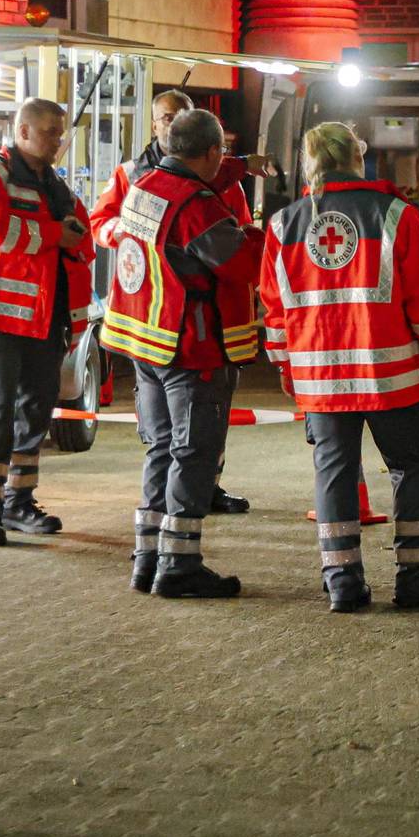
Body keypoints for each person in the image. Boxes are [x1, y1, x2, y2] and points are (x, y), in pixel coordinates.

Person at [259, 122, 419, 613]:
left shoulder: (284, 223)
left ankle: (342, 581)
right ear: (357, 159)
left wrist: (284, 364)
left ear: (310, 164)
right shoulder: (395, 215)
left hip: (320, 378)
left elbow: (274, 307)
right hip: (389, 376)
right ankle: (416, 575)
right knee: (413, 464)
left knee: (334, 473)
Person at [101, 108, 260, 598]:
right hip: (191, 349)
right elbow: (241, 262)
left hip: (147, 343)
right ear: (212, 151)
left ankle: (147, 557)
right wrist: (264, 233)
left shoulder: (145, 185)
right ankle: (179, 565)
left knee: (162, 450)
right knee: (194, 455)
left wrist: (239, 169)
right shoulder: (198, 206)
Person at [0, 97, 94, 547]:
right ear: (24, 131)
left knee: (36, 409)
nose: (58, 141)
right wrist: (55, 234)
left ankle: (18, 502)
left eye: (61, 133)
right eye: (51, 132)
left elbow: (83, 239)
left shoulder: (56, 187)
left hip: (43, 317)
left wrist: (65, 236)